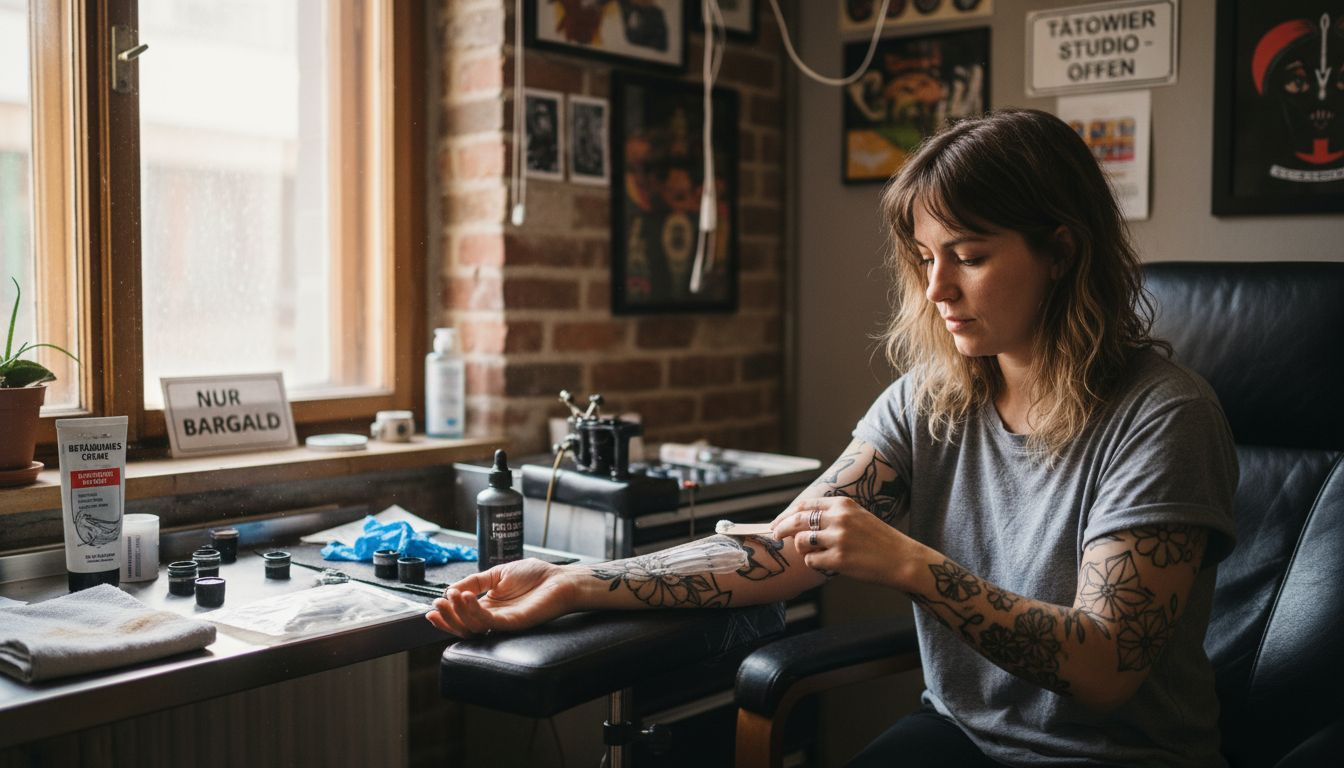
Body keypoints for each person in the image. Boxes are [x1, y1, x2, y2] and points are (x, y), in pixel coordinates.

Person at [426, 108, 1238, 767]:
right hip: (964, 737)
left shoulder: (1164, 417)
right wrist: (576, 582)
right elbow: (781, 549)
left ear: (1062, 250)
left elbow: (1104, 668)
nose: (938, 288)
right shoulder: (933, 398)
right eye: (924, 257)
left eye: (970, 256)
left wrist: (912, 565)